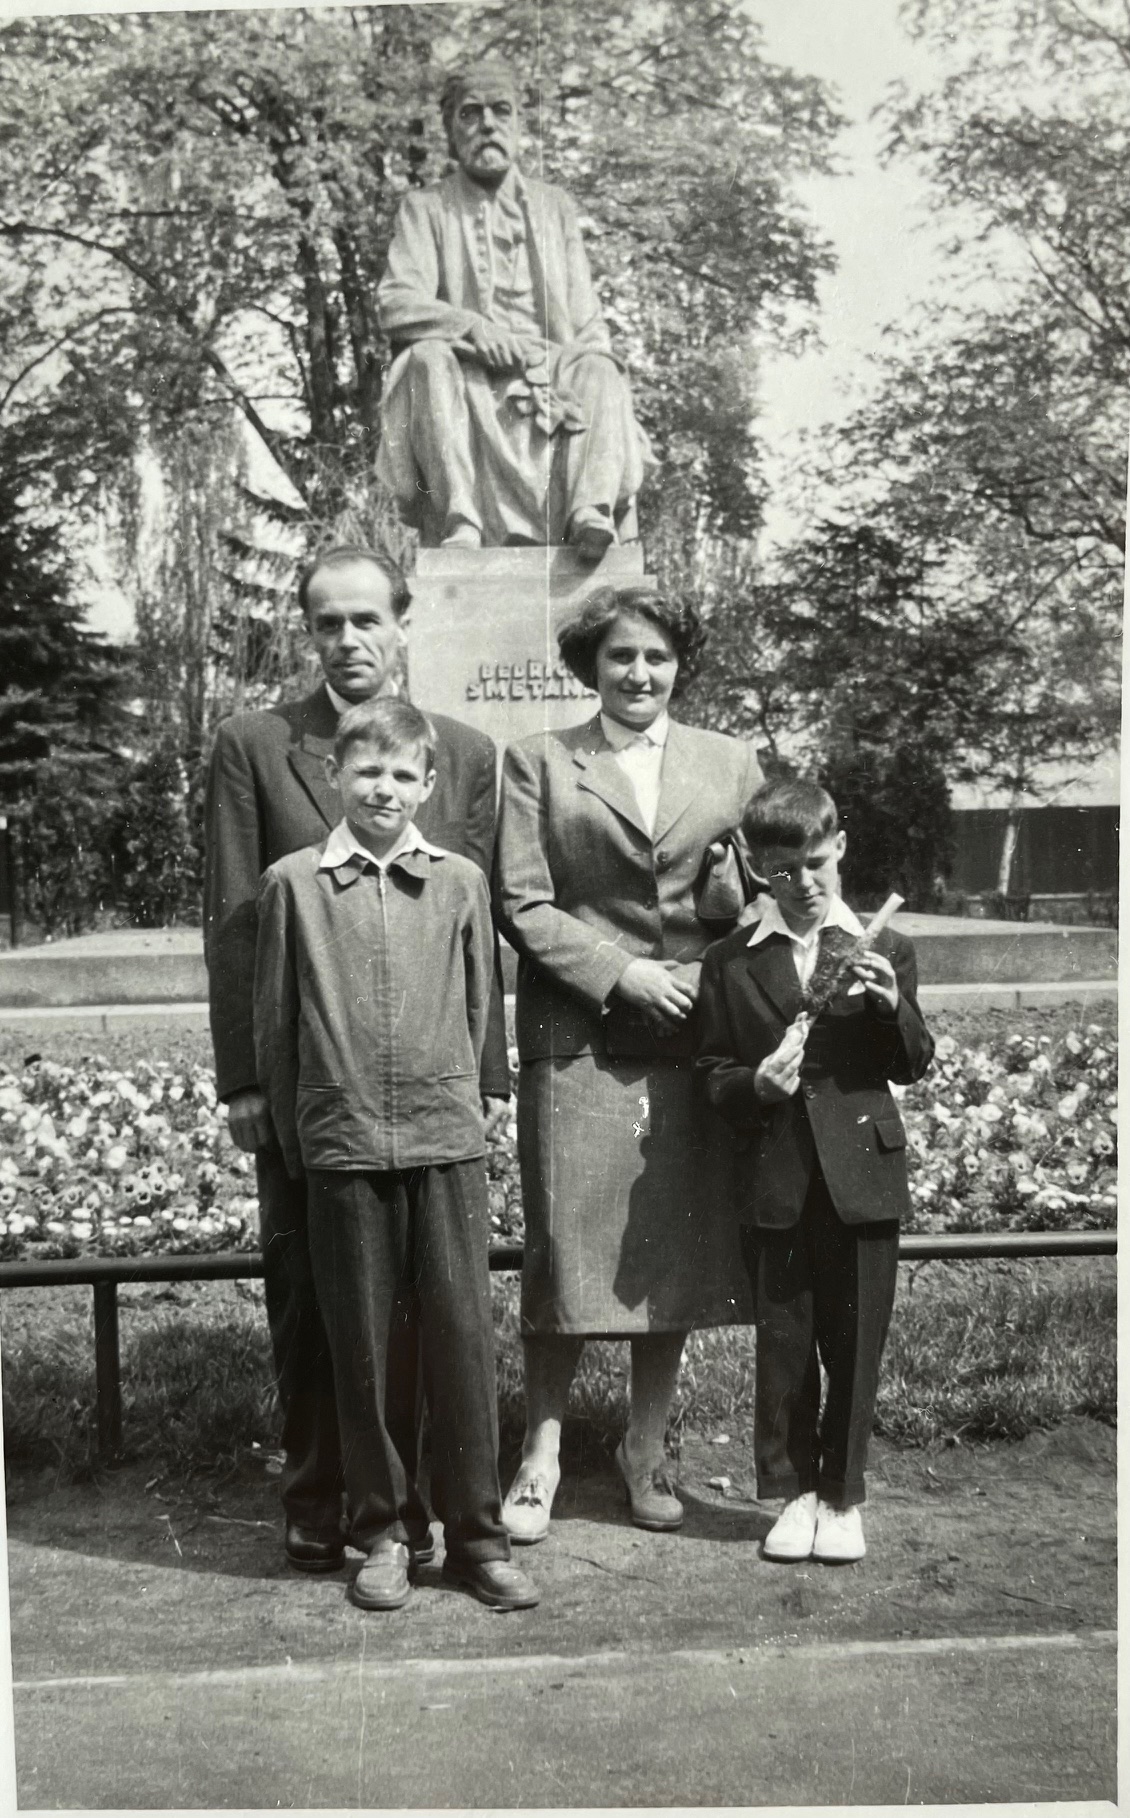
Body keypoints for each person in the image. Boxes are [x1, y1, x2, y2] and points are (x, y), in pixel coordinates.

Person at [203, 545, 508, 1575]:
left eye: (366, 619)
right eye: (326, 622)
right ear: (308, 631)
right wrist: (246, 1079)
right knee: (314, 1294)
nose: (347, 640)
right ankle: (320, 1497)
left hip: (431, 1093)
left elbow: (475, 932)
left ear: (401, 622)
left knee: (439, 1307)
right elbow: (236, 924)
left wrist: (488, 1078)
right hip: (313, 1081)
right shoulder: (255, 745)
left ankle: (437, 1513)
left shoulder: (461, 750)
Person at [253, 698, 538, 1612]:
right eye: (367, 771)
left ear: (428, 784)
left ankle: (478, 1538)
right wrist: (304, 1140)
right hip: (341, 1149)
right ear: (334, 776)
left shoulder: (457, 882)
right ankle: (383, 1534)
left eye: (402, 774)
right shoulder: (294, 885)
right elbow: (275, 1027)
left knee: (460, 1342)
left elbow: (482, 1004)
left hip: (443, 1140)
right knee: (365, 1351)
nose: (384, 788)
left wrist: (476, 1096)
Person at [493, 583, 761, 1543]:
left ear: (679, 665)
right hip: (580, 1039)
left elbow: (762, 891)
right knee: (566, 1249)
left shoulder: (731, 762)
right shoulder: (540, 762)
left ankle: (645, 1447)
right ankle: (542, 1453)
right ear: (590, 667)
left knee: (668, 1250)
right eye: (620, 657)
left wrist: (732, 916)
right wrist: (620, 973)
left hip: (693, 1032)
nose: (639, 673)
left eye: (656, 656)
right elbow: (521, 902)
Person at [696, 780, 935, 1565]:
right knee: (786, 1341)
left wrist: (892, 1007)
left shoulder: (884, 946)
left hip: (863, 1175)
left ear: (841, 849)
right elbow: (712, 1073)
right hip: (777, 1177)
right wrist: (755, 1086)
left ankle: (843, 1495)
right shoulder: (730, 961)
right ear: (755, 868)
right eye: (782, 871)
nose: (803, 883)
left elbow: (913, 1061)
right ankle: (795, 1492)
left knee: (856, 1341)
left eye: (818, 863)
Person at [376, 60, 651, 554]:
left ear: (520, 124)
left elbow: (586, 319)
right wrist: (469, 327)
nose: (487, 124)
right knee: (426, 359)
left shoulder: (554, 207)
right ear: (450, 131)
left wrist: (589, 367)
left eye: (501, 110)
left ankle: (589, 512)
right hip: (468, 367)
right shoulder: (426, 208)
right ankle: (462, 521)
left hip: (548, 364)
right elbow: (396, 301)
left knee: (601, 369)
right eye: (470, 113)